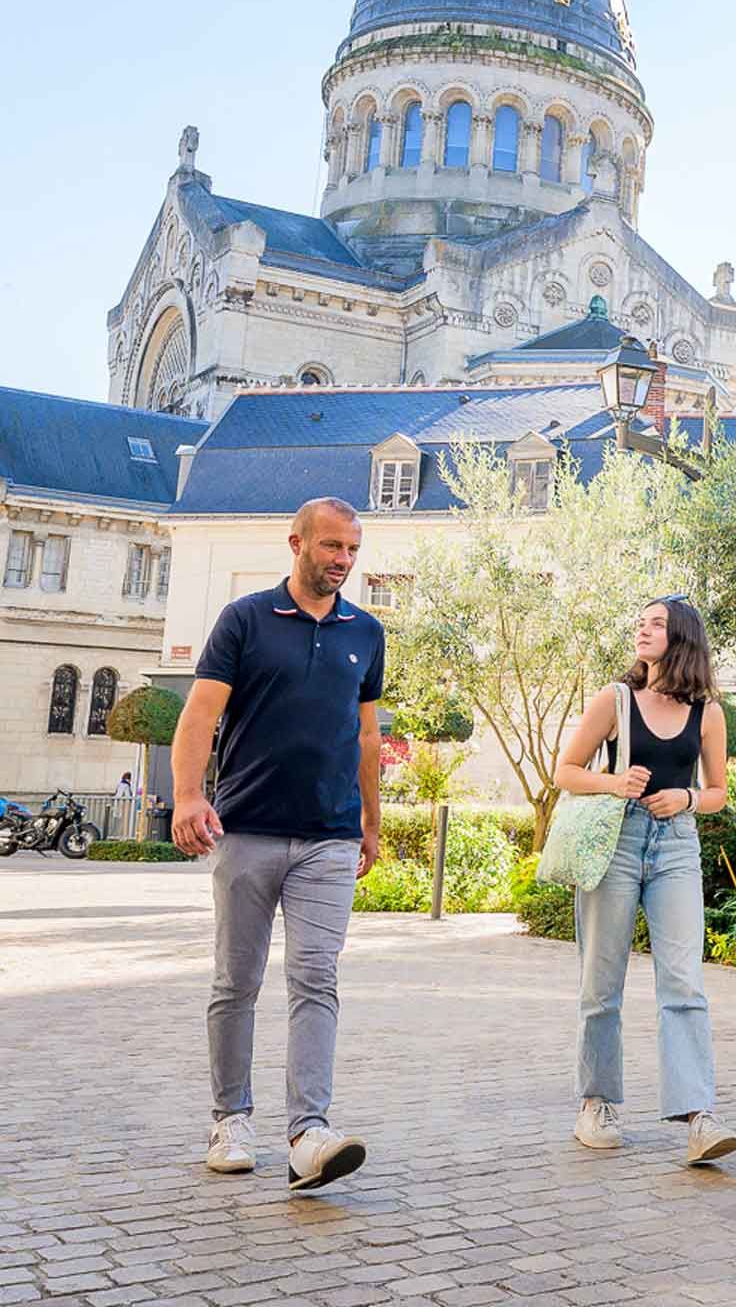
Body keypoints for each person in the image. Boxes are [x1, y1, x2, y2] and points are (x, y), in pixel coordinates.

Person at [170, 497, 382, 1191]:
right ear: (296, 543)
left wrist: (372, 823)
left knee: (317, 979)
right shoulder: (246, 620)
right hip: (248, 829)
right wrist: (191, 796)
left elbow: (366, 735)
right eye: (330, 547)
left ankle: (308, 1132)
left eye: (351, 549)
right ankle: (231, 1118)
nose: (342, 561)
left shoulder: (367, 632)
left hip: (330, 836)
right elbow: (200, 712)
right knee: (237, 981)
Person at [553, 595, 736, 1165]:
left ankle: (698, 1115)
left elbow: (718, 792)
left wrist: (685, 796)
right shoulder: (614, 700)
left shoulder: (708, 711)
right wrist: (613, 784)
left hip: (677, 843)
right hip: (618, 841)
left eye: (656, 624)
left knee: (684, 982)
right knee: (600, 981)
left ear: (682, 636)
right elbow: (565, 771)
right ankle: (597, 1102)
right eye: (640, 622)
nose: (644, 630)